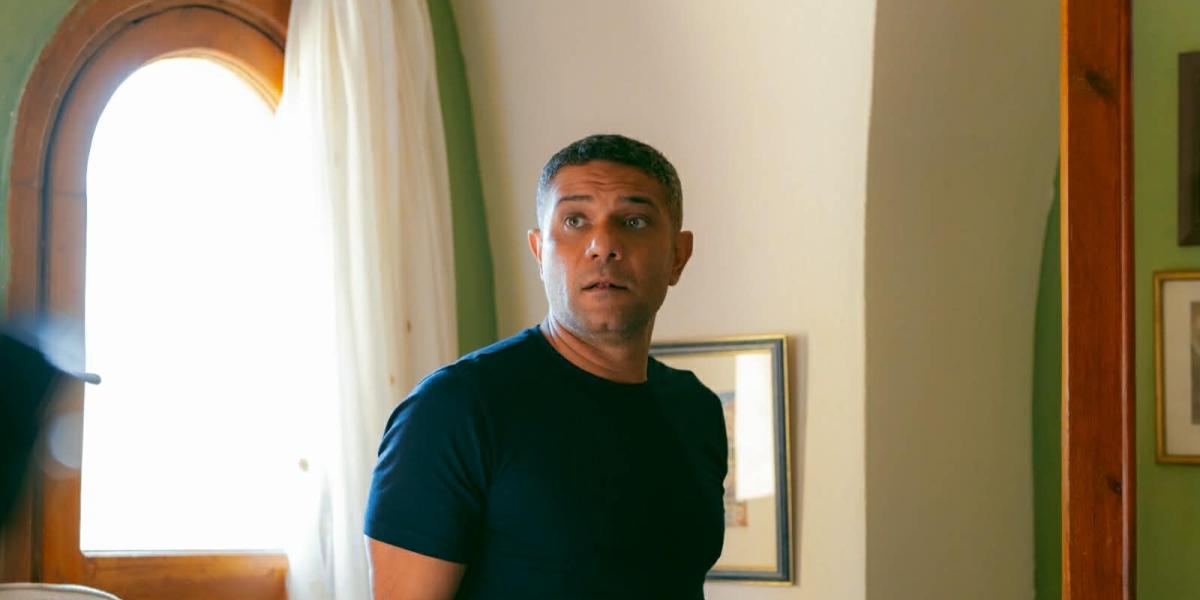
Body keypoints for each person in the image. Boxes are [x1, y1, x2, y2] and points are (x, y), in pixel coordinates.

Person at [364, 134, 727, 599]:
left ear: (678, 255)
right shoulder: (455, 410)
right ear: (539, 251)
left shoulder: (695, 410)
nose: (603, 245)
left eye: (634, 221)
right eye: (575, 220)